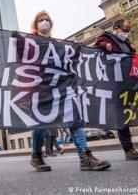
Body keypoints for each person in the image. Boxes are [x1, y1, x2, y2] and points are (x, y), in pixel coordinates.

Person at [27, 11, 111, 172]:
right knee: (41, 123)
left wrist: (80, 49)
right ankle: (36, 155)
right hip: (42, 88)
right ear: (36, 24)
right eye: (41, 20)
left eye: (47, 20)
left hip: (62, 86)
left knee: (74, 118)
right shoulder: (30, 41)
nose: (44, 22)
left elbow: (70, 60)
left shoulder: (58, 44)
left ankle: (85, 156)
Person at [94, 18, 138, 161]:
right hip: (117, 86)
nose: (127, 33)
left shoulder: (127, 43)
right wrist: (105, 46)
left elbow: (133, 57)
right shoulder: (105, 38)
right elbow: (95, 51)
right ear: (116, 28)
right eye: (125, 30)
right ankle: (129, 150)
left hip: (135, 84)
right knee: (121, 117)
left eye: (129, 31)